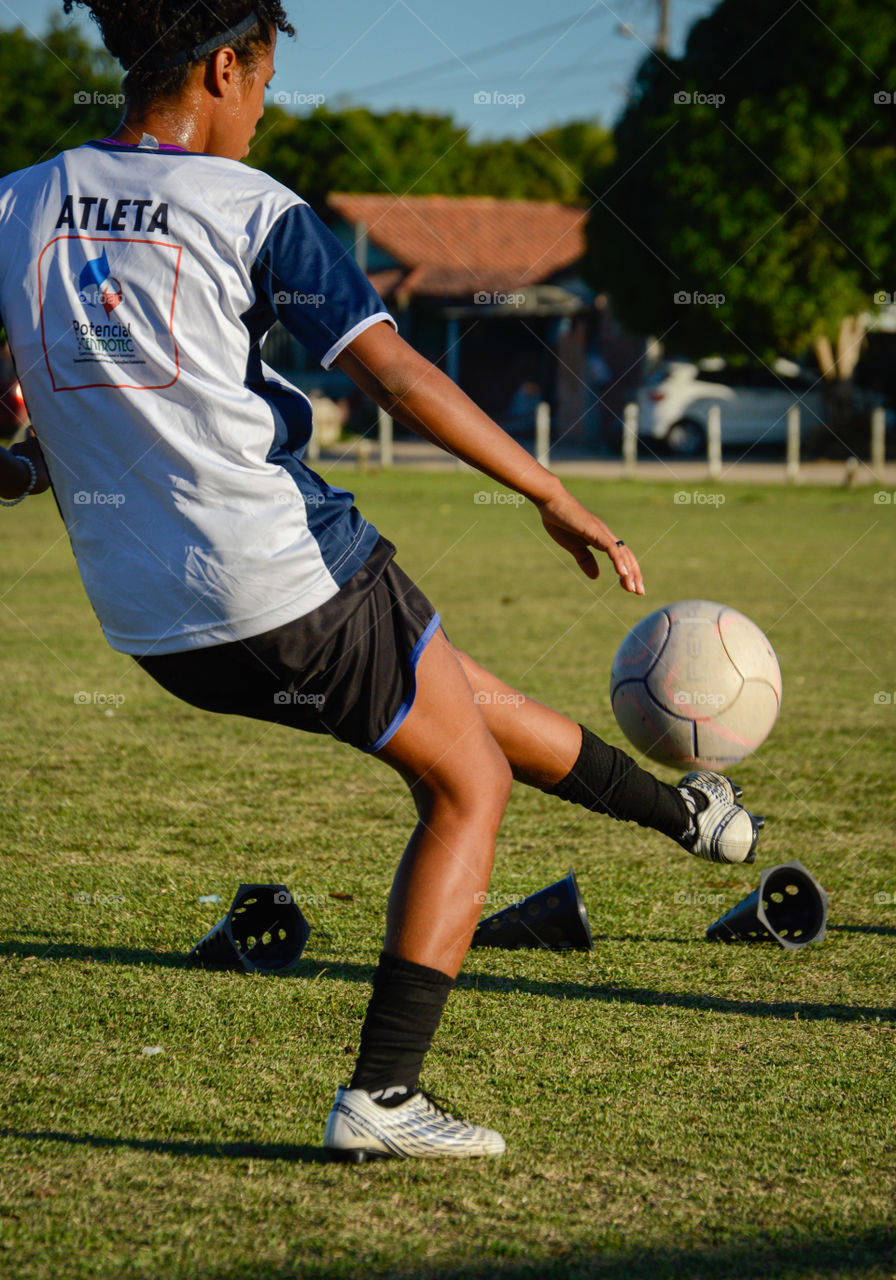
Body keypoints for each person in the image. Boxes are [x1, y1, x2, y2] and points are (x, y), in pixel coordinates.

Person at [0, 1, 762, 1163]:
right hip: (284, 573)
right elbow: (397, 373)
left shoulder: (16, 204)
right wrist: (547, 491)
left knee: (454, 689)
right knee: (466, 784)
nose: (260, 111)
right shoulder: (252, 210)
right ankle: (384, 1096)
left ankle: (685, 813)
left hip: (154, 627)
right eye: (260, 83)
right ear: (222, 67)